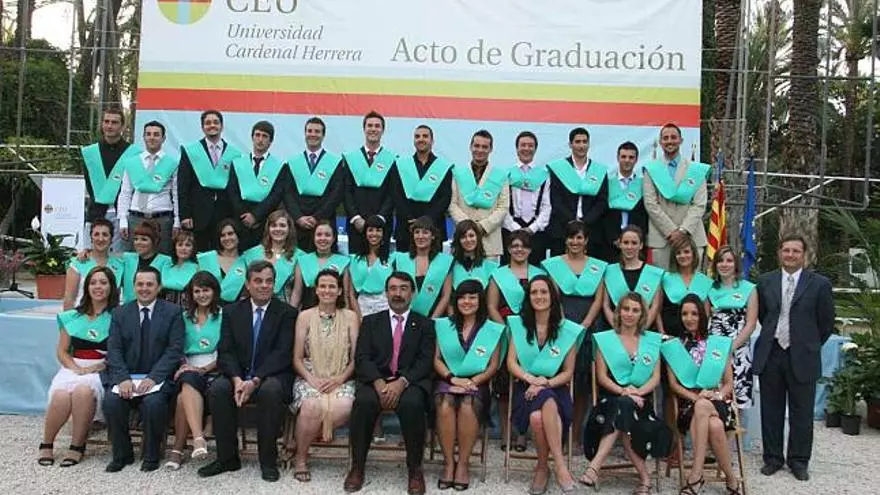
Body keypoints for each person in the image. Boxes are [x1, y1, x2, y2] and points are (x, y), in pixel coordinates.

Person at [198, 260, 298, 482]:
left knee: (270, 391)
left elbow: (282, 353)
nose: (264, 286)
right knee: (218, 389)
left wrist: (255, 380)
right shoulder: (232, 311)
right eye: (258, 281)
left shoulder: (287, 313)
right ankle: (227, 458)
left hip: (271, 375)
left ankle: (268, 461)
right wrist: (236, 379)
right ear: (248, 284)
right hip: (239, 374)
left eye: (269, 281)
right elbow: (226, 351)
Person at [343, 272, 436, 494]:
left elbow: (425, 361)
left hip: (410, 382)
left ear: (412, 293)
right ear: (386, 293)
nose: (398, 293)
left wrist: (402, 382)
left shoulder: (425, 324)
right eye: (393, 288)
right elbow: (362, 357)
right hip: (376, 380)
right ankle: (357, 466)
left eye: (403, 288)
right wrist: (377, 381)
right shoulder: (371, 322)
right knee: (363, 402)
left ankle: (415, 470)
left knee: (413, 404)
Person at [754, 233, 834, 481]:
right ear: (779, 253)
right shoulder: (765, 281)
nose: (790, 255)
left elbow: (826, 323)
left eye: (795, 251)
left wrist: (808, 344)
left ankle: (799, 461)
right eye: (786, 250)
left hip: (803, 355)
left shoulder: (819, 284)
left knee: (802, 412)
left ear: (804, 255)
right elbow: (763, 315)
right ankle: (773, 458)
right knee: (771, 410)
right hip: (772, 352)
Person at [580, 292, 670, 493]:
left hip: (641, 402)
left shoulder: (651, 342)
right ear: (618, 312)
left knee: (626, 412)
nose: (630, 314)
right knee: (624, 410)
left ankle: (593, 468)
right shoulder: (606, 340)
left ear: (642, 314)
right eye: (626, 309)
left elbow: (655, 378)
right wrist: (624, 391)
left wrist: (636, 393)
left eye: (635, 310)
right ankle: (645, 479)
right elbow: (602, 377)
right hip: (610, 400)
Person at [102, 266, 184, 473]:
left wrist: (153, 378)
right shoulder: (120, 313)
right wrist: (122, 378)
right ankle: (122, 454)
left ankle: (151, 455)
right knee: (112, 402)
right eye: (140, 284)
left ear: (159, 287)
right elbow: (114, 349)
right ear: (133, 286)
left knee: (153, 403)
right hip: (127, 377)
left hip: (158, 379)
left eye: (149, 284)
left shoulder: (173, 312)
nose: (144, 288)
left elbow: (174, 350)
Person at [507, 275, 583, 494]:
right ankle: (559, 466)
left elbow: (568, 372)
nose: (539, 296)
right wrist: (532, 380)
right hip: (526, 387)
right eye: (534, 292)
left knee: (537, 416)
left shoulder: (567, 330)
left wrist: (545, 382)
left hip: (556, 386)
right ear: (528, 297)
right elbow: (511, 362)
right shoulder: (519, 326)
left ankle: (543, 467)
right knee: (539, 408)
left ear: (552, 296)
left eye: (543, 292)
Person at [40, 266, 120, 467]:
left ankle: (77, 446)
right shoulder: (72, 317)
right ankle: (47, 443)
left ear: (111, 287)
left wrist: (98, 366)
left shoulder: (119, 317)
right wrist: (76, 368)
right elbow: (62, 351)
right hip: (73, 366)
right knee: (61, 394)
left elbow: (121, 353)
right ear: (87, 287)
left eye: (103, 282)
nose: (98, 287)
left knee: (83, 391)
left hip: (102, 368)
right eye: (93, 283)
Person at [661, 294, 741, 495]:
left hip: (718, 401)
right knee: (714, 425)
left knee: (705, 406)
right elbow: (673, 385)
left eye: (694, 313)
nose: (689, 318)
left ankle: (696, 475)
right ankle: (732, 480)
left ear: (702, 316)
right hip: (689, 404)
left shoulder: (718, 344)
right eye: (684, 314)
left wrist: (717, 395)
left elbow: (729, 383)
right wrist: (697, 398)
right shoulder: (674, 346)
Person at [541, 219, 607, 447]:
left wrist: (585, 325)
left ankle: (576, 433)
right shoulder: (553, 265)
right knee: (560, 378)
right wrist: (565, 325)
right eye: (571, 237)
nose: (575, 242)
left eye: (579, 237)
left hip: (589, 326)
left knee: (582, 383)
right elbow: (554, 298)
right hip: (561, 325)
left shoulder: (598, 266)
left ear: (586, 240)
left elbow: (599, 299)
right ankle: (557, 431)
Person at [290, 269, 359, 482]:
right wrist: (311, 379)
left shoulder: (350, 317)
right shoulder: (304, 316)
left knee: (345, 406)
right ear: (316, 290)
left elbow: (356, 358)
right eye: (322, 286)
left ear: (339, 291)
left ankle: (301, 439)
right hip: (310, 375)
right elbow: (297, 358)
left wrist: (340, 379)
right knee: (311, 406)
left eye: (332, 286)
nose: (327, 290)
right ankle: (301, 459)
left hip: (341, 376)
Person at [434, 280, 504, 490]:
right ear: (456, 301)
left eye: (472, 297)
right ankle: (448, 463)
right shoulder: (444, 325)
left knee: (467, 404)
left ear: (480, 300)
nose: (467, 302)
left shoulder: (491, 329)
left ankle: (463, 464)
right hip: (448, 379)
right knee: (445, 403)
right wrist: (452, 379)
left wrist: (471, 382)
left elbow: (493, 365)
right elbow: (436, 359)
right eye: (462, 297)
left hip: (477, 383)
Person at [486, 229, 545, 452]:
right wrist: (506, 330)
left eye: (524, 246)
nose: (519, 250)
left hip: (532, 336)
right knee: (503, 387)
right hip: (506, 333)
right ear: (509, 249)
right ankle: (505, 431)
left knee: (525, 384)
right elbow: (491, 306)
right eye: (514, 246)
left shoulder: (540, 274)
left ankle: (522, 433)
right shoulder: (498, 274)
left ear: (530, 249)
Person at [165, 271, 223, 470]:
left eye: (206, 290)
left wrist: (204, 369)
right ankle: (198, 438)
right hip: (188, 367)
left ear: (214, 291)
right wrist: (185, 365)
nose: (201, 295)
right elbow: (176, 347)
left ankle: (178, 449)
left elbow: (228, 351)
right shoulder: (183, 317)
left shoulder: (224, 316)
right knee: (187, 380)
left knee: (184, 395)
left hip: (215, 369)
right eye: (197, 291)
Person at [642, 123, 709, 270]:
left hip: (692, 236)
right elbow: (650, 204)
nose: (669, 141)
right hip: (662, 238)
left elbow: (699, 204)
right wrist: (671, 231)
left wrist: (683, 230)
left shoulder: (695, 170)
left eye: (673, 137)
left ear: (681, 140)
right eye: (665, 138)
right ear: (660, 142)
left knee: (691, 282)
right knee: (663, 282)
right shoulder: (651, 170)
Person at [177, 110, 242, 252]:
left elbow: (236, 187)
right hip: (197, 214)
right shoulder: (191, 151)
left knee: (223, 252)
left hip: (225, 213)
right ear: (202, 127)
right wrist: (185, 214)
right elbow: (183, 185)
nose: (212, 125)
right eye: (208, 123)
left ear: (222, 126)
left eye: (216, 122)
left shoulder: (234, 154)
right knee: (198, 253)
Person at [82, 106, 140, 252]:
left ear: (123, 126)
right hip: (96, 213)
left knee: (119, 258)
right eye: (106, 121)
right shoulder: (90, 152)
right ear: (102, 124)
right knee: (91, 257)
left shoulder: (134, 153)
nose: (109, 126)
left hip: (123, 215)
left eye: (114, 122)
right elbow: (90, 184)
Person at [117, 120, 180, 255]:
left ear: (163, 138)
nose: (152, 137)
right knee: (133, 259)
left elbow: (176, 194)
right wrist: (123, 220)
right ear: (144, 137)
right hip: (136, 218)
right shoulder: (132, 163)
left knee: (162, 259)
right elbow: (125, 193)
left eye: (156, 134)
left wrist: (177, 221)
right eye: (148, 134)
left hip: (162, 219)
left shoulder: (172, 163)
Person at [284, 116, 345, 252]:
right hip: (297, 223)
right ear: (305, 133)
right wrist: (298, 217)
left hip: (324, 223)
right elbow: (287, 193)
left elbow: (336, 194)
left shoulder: (335, 163)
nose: (313, 134)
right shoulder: (293, 162)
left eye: (317, 131)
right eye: (310, 131)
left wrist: (317, 218)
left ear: (323, 135)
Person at [708, 246, 758, 410]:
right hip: (715, 351)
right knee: (716, 399)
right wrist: (720, 351)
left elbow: (751, 324)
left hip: (740, 350)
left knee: (739, 401)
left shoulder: (749, 289)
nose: (724, 264)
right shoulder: (709, 289)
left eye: (729, 261)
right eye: (720, 261)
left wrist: (731, 348)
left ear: (736, 264)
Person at [448, 129, 511, 260]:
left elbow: (503, 207)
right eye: (476, 146)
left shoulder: (501, 176)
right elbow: (452, 204)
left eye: (484, 147)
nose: (480, 150)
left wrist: (482, 226)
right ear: (470, 147)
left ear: (490, 149)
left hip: (489, 240)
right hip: (463, 238)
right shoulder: (458, 173)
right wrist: (468, 226)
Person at [547, 127, 608, 258]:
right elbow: (555, 199)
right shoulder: (559, 168)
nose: (581, 146)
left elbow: (602, 201)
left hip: (591, 230)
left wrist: (585, 222)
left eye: (584, 142)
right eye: (577, 142)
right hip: (562, 229)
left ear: (589, 144)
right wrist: (572, 221)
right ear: (570, 144)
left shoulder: (598, 170)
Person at [227, 121, 289, 250]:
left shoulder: (279, 166)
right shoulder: (238, 163)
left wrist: (255, 216)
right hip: (240, 218)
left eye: (265, 136)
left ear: (270, 141)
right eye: (257, 135)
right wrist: (244, 215)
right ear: (252, 137)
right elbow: (232, 191)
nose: (260, 140)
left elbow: (276, 195)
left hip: (264, 220)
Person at [391, 124, 453, 252]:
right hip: (406, 227)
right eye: (417, 136)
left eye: (425, 136)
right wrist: (409, 218)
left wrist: (426, 220)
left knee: (433, 264)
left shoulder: (443, 167)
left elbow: (445, 198)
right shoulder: (401, 165)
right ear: (414, 141)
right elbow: (396, 194)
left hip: (434, 227)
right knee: (404, 264)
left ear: (432, 141)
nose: (421, 139)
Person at [343, 111, 396, 255]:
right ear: (364, 129)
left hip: (382, 225)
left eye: (377, 126)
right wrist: (355, 217)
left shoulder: (392, 159)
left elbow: (393, 193)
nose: (373, 129)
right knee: (356, 264)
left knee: (381, 264)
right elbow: (346, 192)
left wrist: (380, 217)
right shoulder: (351, 158)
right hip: (356, 225)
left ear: (383, 130)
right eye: (370, 125)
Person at [602, 225, 664, 330]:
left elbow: (655, 306)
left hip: (644, 331)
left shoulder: (653, 273)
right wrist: (619, 329)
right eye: (626, 243)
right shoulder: (609, 271)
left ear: (641, 245)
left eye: (634, 243)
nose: (629, 247)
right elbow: (606, 305)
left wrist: (641, 329)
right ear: (620, 244)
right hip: (614, 330)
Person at [503, 131, 551, 265]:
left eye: (530, 145)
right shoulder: (507, 174)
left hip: (536, 230)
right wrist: (514, 227)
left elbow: (547, 206)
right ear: (517, 148)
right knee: (509, 269)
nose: (526, 148)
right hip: (511, 229)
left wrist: (533, 228)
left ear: (535, 149)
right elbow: (502, 205)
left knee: (536, 270)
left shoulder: (544, 175)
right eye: (523, 145)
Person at [391, 216, 453, 318]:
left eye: (425, 232)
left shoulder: (445, 261)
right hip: (406, 319)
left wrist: (431, 321)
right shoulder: (400, 259)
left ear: (433, 236)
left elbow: (446, 295)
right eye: (417, 232)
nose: (420, 236)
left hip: (436, 319)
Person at [597, 141, 649, 262]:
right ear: (618, 158)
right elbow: (602, 213)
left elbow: (645, 215)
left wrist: (637, 238)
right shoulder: (607, 183)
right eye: (623, 156)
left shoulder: (643, 185)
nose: (627, 160)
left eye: (631, 157)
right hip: (610, 243)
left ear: (636, 160)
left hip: (635, 243)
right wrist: (614, 238)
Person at [63, 219, 123, 310]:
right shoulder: (78, 263)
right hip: (82, 315)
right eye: (96, 234)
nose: (100, 239)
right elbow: (69, 299)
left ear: (111, 239)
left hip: (110, 316)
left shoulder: (120, 265)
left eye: (105, 235)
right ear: (91, 238)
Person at [290, 219, 351, 309]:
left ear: (334, 238)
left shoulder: (343, 261)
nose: (323, 238)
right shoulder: (303, 260)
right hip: (308, 312)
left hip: (336, 312)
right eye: (319, 235)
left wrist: (346, 315)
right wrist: (290, 314)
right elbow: (296, 293)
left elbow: (346, 296)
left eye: (327, 235)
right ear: (313, 237)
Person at [659, 237, 712, 338]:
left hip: (696, 337)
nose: (682, 256)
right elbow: (657, 309)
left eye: (686, 252)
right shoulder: (665, 278)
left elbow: (706, 312)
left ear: (694, 254)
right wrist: (662, 333)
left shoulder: (704, 281)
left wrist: (701, 336)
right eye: (678, 253)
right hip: (669, 334)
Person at [241, 209, 300, 300]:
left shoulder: (300, 256)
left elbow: (297, 292)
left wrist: (291, 309)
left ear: (289, 229)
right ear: (268, 229)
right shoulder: (251, 254)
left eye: (282, 225)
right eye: (274, 225)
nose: (278, 229)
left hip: (285, 306)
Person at [346, 215, 393, 319]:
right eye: (370, 230)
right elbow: (351, 294)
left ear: (383, 234)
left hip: (385, 308)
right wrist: (359, 317)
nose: (374, 234)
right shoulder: (354, 260)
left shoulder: (392, 259)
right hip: (361, 308)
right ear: (365, 233)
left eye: (378, 230)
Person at [197, 219, 249, 303]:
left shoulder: (247, 261)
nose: (227, 238)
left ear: (238, 235)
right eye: (222, 235)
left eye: (230, 234)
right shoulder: (208, 259)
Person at [119, 220, 172, 304]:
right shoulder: (127, 258)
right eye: (136, 239)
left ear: (155, 241)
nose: (138, 243)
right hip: (128, 307)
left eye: (144, 239)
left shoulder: (166, 261)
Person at [451, 219, 499, 290]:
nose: (468, 240)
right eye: (463, 237)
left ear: (478, 237)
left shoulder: (492, 268)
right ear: (458, 240)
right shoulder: (450, 267)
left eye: (471, 236)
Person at [160, 230, 198, 306]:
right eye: (180, 245)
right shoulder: (167, 265)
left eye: (188, 245)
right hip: (165, 307)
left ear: (193, 248)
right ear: (175, 247)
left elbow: (182, 285)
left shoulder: (198, 267)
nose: (183, 248)